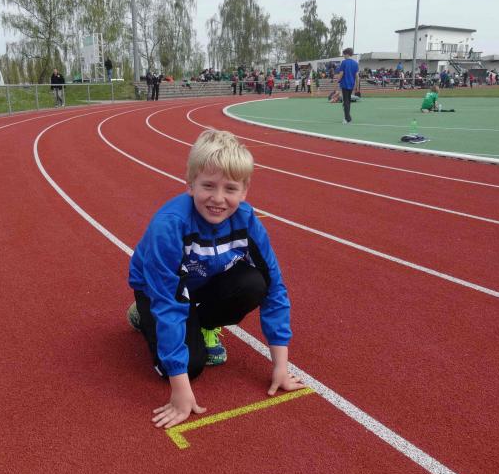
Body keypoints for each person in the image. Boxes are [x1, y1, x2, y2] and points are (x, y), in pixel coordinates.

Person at [126, 129, 304, 428]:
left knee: (254, 283)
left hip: (204, 280)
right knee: (190, 368)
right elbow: (168, 304)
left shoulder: (247, 221)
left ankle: (203, 323)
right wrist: (180, 392)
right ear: (190, 184)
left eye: (230, 188)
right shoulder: (169, 226)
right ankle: (142, 315)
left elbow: (275, 289)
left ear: (244, 191)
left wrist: (281, 368)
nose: (218, 199)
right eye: (208, 185)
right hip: (162, 292)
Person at [335, 47, 359, 124]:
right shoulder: (355, 63)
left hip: (345, 84)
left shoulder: (344, 62)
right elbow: (357, 76)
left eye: (344, 54)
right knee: (348, 101)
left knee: (345, 102)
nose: (343, 56)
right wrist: (357, 86)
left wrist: (337, 81)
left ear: (347, 54)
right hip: (351, 84)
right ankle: (347, 117)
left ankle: (347, 118)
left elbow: (341, 73)